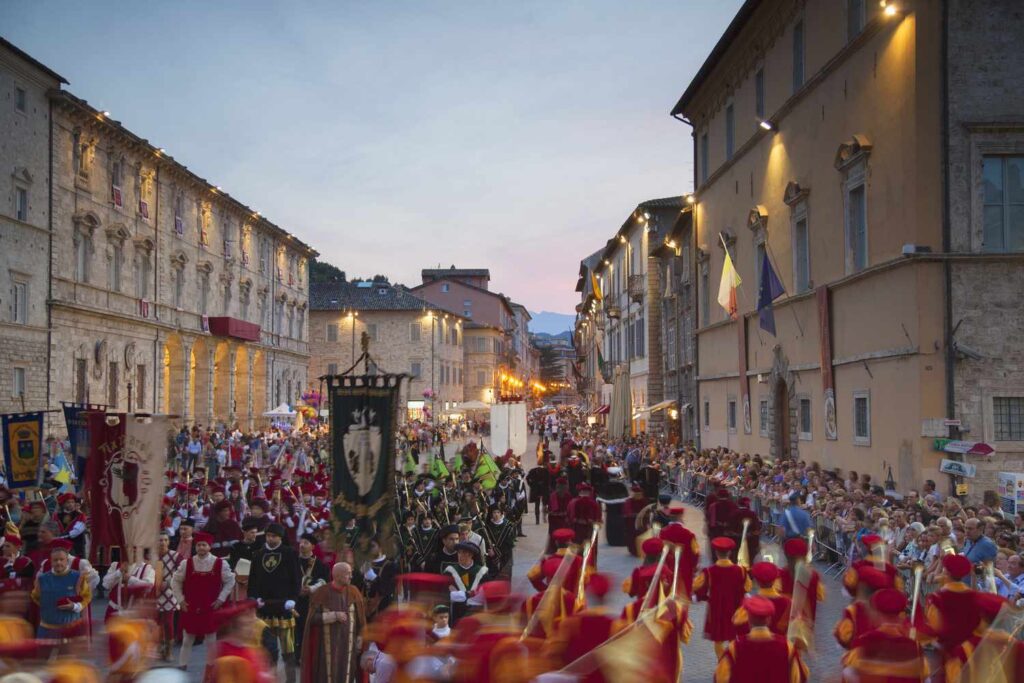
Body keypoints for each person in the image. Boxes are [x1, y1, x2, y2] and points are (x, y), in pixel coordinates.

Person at [171, 530, 235, 671]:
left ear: (209, 546)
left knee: (211, 641)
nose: (201, 547)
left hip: (210, 607)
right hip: (190, 607)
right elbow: (175, 581)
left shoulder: (219, 564)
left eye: (204, 545)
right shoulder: (186, 564)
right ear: (195, 547)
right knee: (187, 640)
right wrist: (180, 600)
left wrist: (221, 598)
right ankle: (182, 667)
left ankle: (210, 671)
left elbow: (230, 581)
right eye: (199, 545)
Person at [247, 522, 302, 683]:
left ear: (281, 537)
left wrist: (293, 598)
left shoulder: (290, 553)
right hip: (264, 608)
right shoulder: (258, 554)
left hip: (285, 606)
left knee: (288, 650)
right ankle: (269, 679)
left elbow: (296, 578)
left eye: (274, 536)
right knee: (267, 649)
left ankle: (290, 680)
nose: (271, 539)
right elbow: (253, 579)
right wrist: (253, 598)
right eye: (269, 536)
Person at [840, 589, 929, 683]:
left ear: (876, 614)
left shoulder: (864, 643)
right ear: (901, 615)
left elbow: (851, 674)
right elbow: (925, 679)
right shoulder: (915, 647)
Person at [299, 562, 367, 683]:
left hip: (349, 649)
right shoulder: (321, 593)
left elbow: (361, 620)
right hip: (326, 651)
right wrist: (333, 616)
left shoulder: (354, 592)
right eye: (348, 574)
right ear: (338, 576)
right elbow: (312, 619)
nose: (351, 576)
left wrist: (360, 639)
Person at [714, 595, 807, 683]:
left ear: (749, 620)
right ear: (769, 620)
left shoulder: (734, 647)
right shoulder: (787, 647)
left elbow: (720, 678)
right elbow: (800, 676)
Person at [693, 537, 749, 658]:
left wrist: (702, 597)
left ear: (716, 553)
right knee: (733, 636)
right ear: (729, 553)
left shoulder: (709, 571)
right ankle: (733, 661)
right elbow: (747, 587)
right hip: (735, 607)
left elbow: (697, 587)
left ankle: (722, 661)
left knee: (718, 639)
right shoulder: (740, 570)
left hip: (717, 608)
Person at [30, 542, 91, 641]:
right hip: (46, 632)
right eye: (55, 560)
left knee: (69, 657)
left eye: (61, 560)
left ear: (67, 561)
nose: (58, 562)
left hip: (70, 632)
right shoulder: (42, 579)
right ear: (51, 561)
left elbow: (86, 597)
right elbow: (35, 597)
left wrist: (75, 606)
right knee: (44, 656)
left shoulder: (78, 578)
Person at [210, 599, 275, 683]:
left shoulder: (253, 652)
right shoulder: (224, 651)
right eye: (246, 625)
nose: (251, 629)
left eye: (251, 624)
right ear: (234, 627)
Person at [294, 533, 329, 655]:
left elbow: (324, 580)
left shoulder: (319, 564)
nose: (302, 545)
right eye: (301, 542)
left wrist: (311, 589)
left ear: (313, 546)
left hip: (310, 601)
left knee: (306, 627)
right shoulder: (293, 560)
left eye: (306, 543)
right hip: (293, 600)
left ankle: (306, 653)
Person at [101, 554, 156, 623]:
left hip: (135, 614)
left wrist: (130, 579)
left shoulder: (147, 568)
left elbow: (148, 587)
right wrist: (118, 572)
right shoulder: (115, 565)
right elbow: (105, 584)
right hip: (114, 611)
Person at [155, 532, 180, 662]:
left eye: (165, 540)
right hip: (155, 592)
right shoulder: (151, 556)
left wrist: (168, 582)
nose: (162, 542)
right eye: (160, 540)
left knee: (168, 623)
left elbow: (180, 573)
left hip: (170, 593)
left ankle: (169, 650)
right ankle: (160, 648)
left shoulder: (175, 556)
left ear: (169, 542)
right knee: (157, 623)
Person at [363, 536, 398, 619]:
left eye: (373, 546)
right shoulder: (365, 564)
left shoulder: (391, 566)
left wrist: (374, 578)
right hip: (366, 610)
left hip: (383, 610)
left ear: (381, 547)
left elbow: (388, 590)